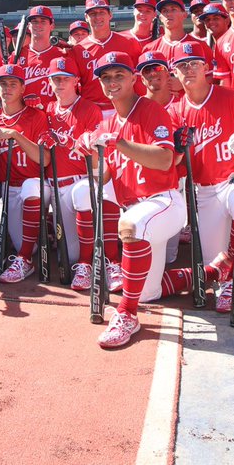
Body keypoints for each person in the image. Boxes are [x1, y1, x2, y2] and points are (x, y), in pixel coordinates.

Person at [78, 51, 185, 349]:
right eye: (106, 77)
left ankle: (127, 315)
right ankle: (212, 271)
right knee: (147, 291)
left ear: (133, 78)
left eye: (119, 75)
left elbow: (165, 161)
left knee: (131, 224)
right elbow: (106, 178)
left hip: (164, 202)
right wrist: (91, 154)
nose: (112, 82)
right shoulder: (107, 123)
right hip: (137, 208)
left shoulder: (151, 110)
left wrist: (119, 143)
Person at [167, 42, 234, 312]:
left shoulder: (232, 98)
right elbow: (177, 168)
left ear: (207, 67)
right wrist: (179, 152)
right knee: (210, 258)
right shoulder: (174, 112)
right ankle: (226, 271)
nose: (188, 69)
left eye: (194, 63)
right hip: (203, 190)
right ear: (175, 74)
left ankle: (231, 280)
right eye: (182, 65)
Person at [41, 56, 104, 288]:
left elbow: (95, 154)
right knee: (67, 257)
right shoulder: (45, 110)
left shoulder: (90, 109)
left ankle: (87, 264)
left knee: (83, 193)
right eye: (55, 79)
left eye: (65, 79)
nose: (60, 84)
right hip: (54, 184)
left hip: (80, 182)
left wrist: (76, 142)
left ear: (76, 80)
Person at [0, 64, 52, 283]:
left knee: (30, 186)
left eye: (13, 84)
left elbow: (44, 159)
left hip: (36, 184)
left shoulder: (37, 116)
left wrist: (16, 135)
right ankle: (44, 228)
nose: (7, 88)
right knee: (28, 245)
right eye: (3, 84)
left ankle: (24, 260)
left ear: (23, 88)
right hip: (9, 188)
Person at [69, 0, 143, 115]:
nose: (97, 17)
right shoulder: (78, 50)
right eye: (92, 13)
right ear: (86, 17)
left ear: (110, 15)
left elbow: (139, 78)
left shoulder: (129, 42)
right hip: (92, 110)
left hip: (126, 108)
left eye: (102, 12)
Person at [12, 5, 65, 107]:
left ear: (52, 26)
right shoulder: (17, 55)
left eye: (43, 21)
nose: (38, 25)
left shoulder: (61, 56)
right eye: (35, 21)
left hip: (52, 114)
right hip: (24, 113)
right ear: (29, 26)